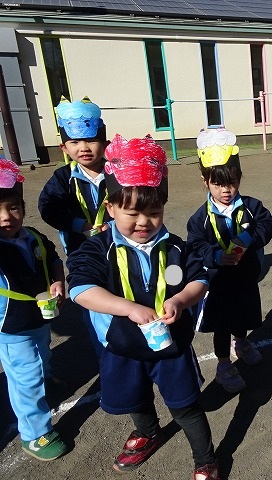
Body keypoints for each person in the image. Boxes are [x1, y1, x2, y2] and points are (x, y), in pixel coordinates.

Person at [66, 135, 220, 479]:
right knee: (135, 400)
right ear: (111, 208)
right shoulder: (98, 249)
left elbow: (198, 279)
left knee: (185, 407)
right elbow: (81, 289)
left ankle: (205, 458)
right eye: (131, 212)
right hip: (123, 347)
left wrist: (180, 299)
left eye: (153, 213)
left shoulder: (176, 249)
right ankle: (149, 432)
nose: (143, 222)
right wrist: (127, 308)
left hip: (171, 347)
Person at [187, 128, 272, 394]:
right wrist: (215, 256)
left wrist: (248, 238)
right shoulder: (200, 218)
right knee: (222, 325)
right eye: (218, 184)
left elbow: (267, 224)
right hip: (219, 283)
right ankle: (224, 364)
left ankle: (242, 343)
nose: (226, 190)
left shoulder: (251, 206)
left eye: (232, 183)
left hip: (246, 277)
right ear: (205, 181)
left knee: (243, 317)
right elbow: (195, 246)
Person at [0, 156, 70, 461]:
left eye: (13, 207)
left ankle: (46, 378)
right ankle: (34, 434)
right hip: (12, 327)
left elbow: (53, 259)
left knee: (42, 354)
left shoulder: (33, 236)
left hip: (40, 317)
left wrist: (58, 281)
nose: (6, 217)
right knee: (24, 379)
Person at [38, 96, 110, 357]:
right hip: (82, 253)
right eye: (75, 142)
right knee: (92, 301)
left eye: (91, 140)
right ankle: (104, 353)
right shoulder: (63, 178)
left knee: (122, 292)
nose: (84, 148)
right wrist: (80, 225)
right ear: (64, 147)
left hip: (117, 248)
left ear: (104, 142)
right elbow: (48, 208)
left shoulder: (117, 173)